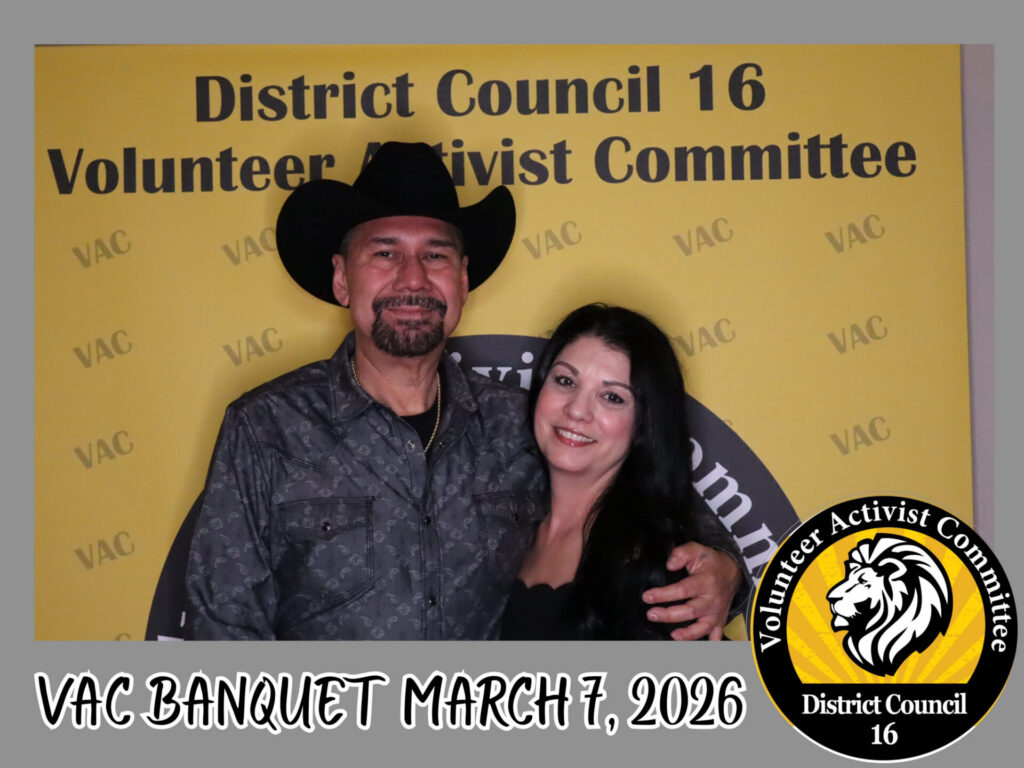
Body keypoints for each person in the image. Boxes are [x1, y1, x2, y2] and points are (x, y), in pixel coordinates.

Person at [185, 141, 745, 640]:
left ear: (462, 280)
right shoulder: (266, 429)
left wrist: (725, 571)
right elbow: (223, 633)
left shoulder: (525, 423)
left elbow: (661, 507)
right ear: (341, 279)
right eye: (385, 253)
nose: (412, 278)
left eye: (435, 255)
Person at [502, 305, 732, 640]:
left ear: (644, 425)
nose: (577, 410)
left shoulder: (662, 573)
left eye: (612, 397)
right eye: (565, 381)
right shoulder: (505, 522)